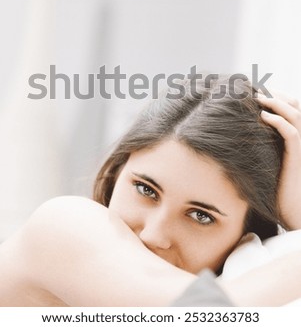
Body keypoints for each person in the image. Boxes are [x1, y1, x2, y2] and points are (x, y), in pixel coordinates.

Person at [0, 75, 300, 306]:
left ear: (244, 237)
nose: (153, 235)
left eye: (200, 216)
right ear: (117, 172)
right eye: (145, 189)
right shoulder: (64, 225)